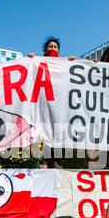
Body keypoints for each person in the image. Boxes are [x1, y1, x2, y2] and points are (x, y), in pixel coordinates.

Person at [29, 37, 75, 169]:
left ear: (59, 51)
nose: (53, 49)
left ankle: (56, 160)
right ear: (45, 49)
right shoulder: (38, 62)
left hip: (59, 103)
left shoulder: (64, 63)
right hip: (43, 101)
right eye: (50, 46)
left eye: (55, 47)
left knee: (57, 130)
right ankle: (44, 160)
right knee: (43, 130)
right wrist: (31, 59)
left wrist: (73, 62)